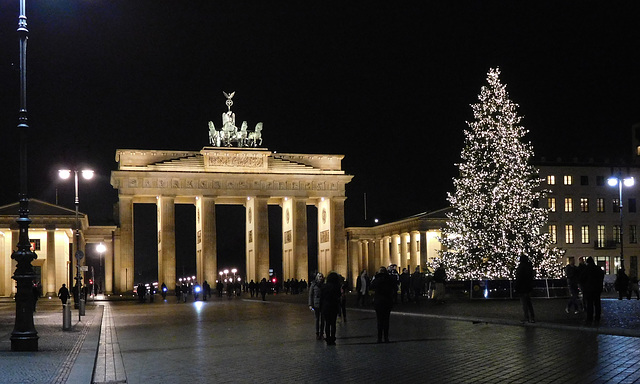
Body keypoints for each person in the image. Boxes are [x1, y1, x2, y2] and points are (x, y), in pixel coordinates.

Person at [370, 266, 395, 343]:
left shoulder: (376, 280)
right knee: (386, 320)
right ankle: (386, 338)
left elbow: (371, 286)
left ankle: (379, 338)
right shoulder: (389, 279)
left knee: (379, 320)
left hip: (379, 302)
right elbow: (394, 288)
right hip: (387, 301)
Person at [582, 256, 605, 326]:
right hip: (597, 289)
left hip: (589, 289)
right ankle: (597, 317)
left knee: (590, 304)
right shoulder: (598, 269)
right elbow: (602, 276)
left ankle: (590, 318)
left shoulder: (587, 269)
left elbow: (582, 278)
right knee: (597, 304)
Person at [320, 272, 342, 346]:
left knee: (327, 324)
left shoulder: (324, 287)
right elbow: (339, 296)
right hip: (334, 306)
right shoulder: (337, 287)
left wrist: (320, 307)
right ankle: (333, 339)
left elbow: (321, 298)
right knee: (333, 324)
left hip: (325, 307)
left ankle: (328, 339)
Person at [515, 255, 535, 323]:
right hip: (528, 287)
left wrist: (516, 287)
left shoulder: (521, 267)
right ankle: (532, 317)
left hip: (522, 287)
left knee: (524, 303)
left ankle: (526, 317)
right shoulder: (529, 267)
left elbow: (518, 278)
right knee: (529, 303)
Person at [308, 273, 325, 340]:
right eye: (319, 276)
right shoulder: (313, 285)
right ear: (317, 277)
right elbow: (310, 295)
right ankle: (317, 333)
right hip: (316, 304)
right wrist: (310, 304)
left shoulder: (324, 285)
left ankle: (322, 333)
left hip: (323, 304)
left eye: (321, 276)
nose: (321, 278)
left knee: (323, 320)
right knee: (317, 319)